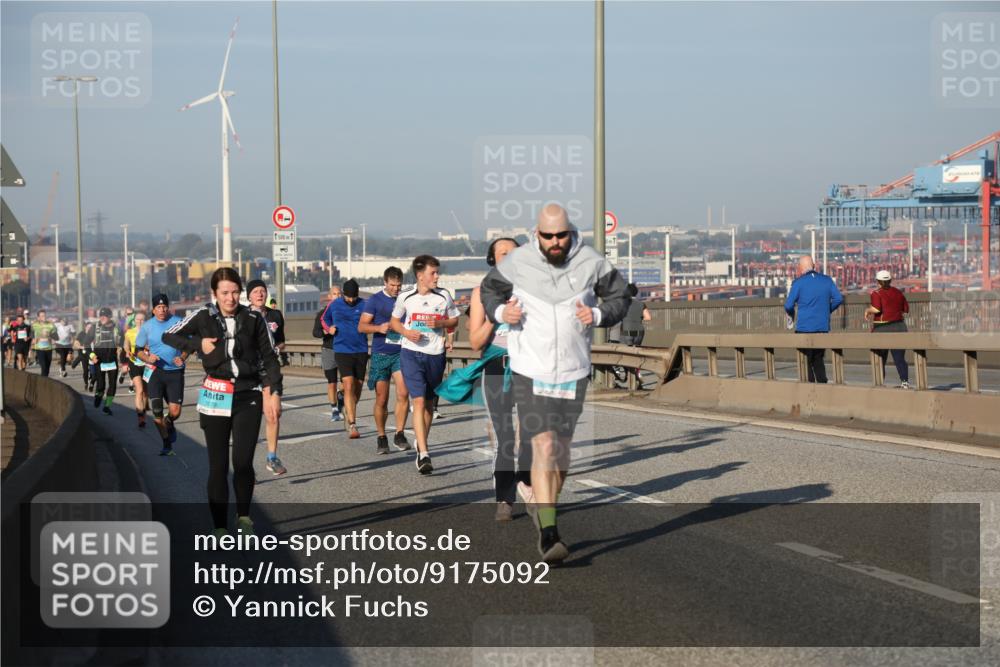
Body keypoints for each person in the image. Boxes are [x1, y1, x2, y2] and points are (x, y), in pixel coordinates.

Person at [480, 204, 631, 562]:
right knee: (544, 446)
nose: (555, 242)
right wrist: (503, 313)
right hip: (530, 369)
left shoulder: (591, 261)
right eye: (547, 236)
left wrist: (596, 314)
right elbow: (488, 293)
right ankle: (549, 533)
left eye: (561, 235)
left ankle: (544, 506)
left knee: (560, 455)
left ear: (570, 232)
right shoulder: (518, 262)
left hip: (574, 371)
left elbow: (620, 298)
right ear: (537, 233)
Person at [162, 267, 282, 537]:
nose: (230, 298)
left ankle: (244, 519)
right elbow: (169, 335)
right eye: (225, 293)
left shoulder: (253, 318)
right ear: (214, 293)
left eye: (235, 292)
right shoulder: (203, 315)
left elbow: (270, 357)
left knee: (242, 462)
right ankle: (218, 526)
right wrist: (197, 343)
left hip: (247, 395)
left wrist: (272, 392)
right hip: (215, 392)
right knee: (217, 465)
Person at [466, 237, 529, 521]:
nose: (509, 257)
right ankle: (505, 498)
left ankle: (529, 486)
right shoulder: (481, 292)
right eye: (503, 253)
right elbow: (476, 342)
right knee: (504, 438)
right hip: (495, 367)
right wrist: (495, 314)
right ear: (493, 260)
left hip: (529, 367)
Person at [391, 255, 460, 475]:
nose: (437, 277)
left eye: (438, 272)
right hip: (411, 353)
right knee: (418, 401)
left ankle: (421, 444)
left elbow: (454, 320)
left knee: (429, 404)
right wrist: (406, 332)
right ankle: (424, 454)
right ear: (420, 276)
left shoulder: (444, 296)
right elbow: (394, 320)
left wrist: (441, 323)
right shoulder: (406, 297)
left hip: (435, 354)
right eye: (433, 273)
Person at [359, 267, 410, 455]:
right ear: (385, 283)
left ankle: (399, 433)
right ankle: (381, 437)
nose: (396, 289)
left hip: (401, 352)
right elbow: (361, 326)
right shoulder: (374, 300)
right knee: (382, 398)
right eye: (392, 285)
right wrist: (378, 328)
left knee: (404, 393)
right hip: (381, 354)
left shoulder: (405, 299)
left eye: (399, 285)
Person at [246, 280, 288, 476]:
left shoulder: (275, 315)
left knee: (274, 413)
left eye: (263, 291)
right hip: (249, 372)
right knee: (249, 420)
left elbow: (281, 341)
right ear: (249, 296)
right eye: (255, 291)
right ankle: (245, 464)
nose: (260, 294)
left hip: (270, 370)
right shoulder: (243, 316)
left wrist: (276, 348)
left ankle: (272, 457)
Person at [137, 294, 187, 456]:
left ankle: (169, 421)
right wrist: (147, 357)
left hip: (175, 372)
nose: (162, 310)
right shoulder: (147, 327)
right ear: (153, 309)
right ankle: (166, 443)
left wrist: (183, 357)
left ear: (168, 307)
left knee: (175, 412)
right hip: (156, 372)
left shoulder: (179, 322)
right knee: (156, 410)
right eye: (158, 307)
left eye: (164, 306)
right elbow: (137, 351)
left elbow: (189, 344)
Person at [783, 255, 843, 384]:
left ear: (800, 268)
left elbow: (788, 305)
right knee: (818, 359)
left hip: (804, 329)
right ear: (814, 266)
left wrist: (791, 314)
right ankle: (822, 385)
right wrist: (827, 310)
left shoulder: (798, 283)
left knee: (805, 361)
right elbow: (838, 299)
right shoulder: (827, 281)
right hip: (822, 328)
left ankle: (809, 388)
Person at [329, 279, 369, 440]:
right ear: (344, 295)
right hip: (342, 349)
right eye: (348, 297)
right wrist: (329, 329)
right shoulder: (335, 305)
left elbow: (373, 319)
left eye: (354, 297)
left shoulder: (365, 304)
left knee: (357, 389)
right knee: (348, 384)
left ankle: (348, 408)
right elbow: (324, 321)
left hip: (361, 349)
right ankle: (352, 424)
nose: (351, 300)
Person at [865, 269, 910, 389]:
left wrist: (867, 310)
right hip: (900, 327)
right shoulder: (898, 292)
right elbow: (906, 309)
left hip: (882, 328)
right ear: (890, 280)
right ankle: (904, 381)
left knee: (880, 358)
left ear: (878, 281)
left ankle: (879, 382)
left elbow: (877, 309)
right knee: (899, 358)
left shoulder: (876, 293)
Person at [314, 285, 345, 422]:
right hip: (328, 350)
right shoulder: (322, 314)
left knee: (346, 383)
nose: (337, 296)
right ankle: (334, 409)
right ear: (329, 296)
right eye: (334, 294)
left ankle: (341, 398)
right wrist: (327, 331)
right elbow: (315, 332)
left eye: (339, 294)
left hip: (344, 351)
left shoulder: (346, 312)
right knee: (332, 382)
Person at [90, 307, 124, 415]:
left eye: (105, 316)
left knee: (113, 385)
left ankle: (107, 406)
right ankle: (98, 396)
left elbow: (123, 342)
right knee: (101, 385)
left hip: (112, 360)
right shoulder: (95, 328)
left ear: (110, 317)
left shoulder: (117, 327)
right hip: (99, 360)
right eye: (101, 316)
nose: (102, 318)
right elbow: (85, 343)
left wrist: (121, 349)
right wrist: (92, 355)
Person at [123, 311, 149, 428]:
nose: (139, 321)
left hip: (147, 364)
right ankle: (141, 417)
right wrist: (127, 351)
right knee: (139, 390)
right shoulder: (129, 332)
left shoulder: (150, 332)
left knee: (145, 392)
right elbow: (126, 345)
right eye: (137, 319)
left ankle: (145, 406)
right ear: (134, 321)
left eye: (142, 319)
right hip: (134, 362)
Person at [30, 310, 57, 377]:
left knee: (47, 368)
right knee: (43, 366)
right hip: (39, 348)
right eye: (42, 316)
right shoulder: (34, 325)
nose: (44, 317)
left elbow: (55, 335)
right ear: (38, 317)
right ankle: (43, 381)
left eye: (44, 315)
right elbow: (31, 333)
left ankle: (45, 379)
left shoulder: (50, 325)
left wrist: (52, 338)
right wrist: (33, 339)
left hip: (49, 348)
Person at [72, 321, 96, 390]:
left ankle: (91, 381)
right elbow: (75, 344)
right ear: (85, 327)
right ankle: (86, 383)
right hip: (83, 355)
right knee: (85, 371)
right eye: (88, 327)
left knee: (93, 372)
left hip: (92, 355)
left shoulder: (94, 335)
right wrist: (81, 347)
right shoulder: (82, 334)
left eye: (91, 328)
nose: (90, 329)